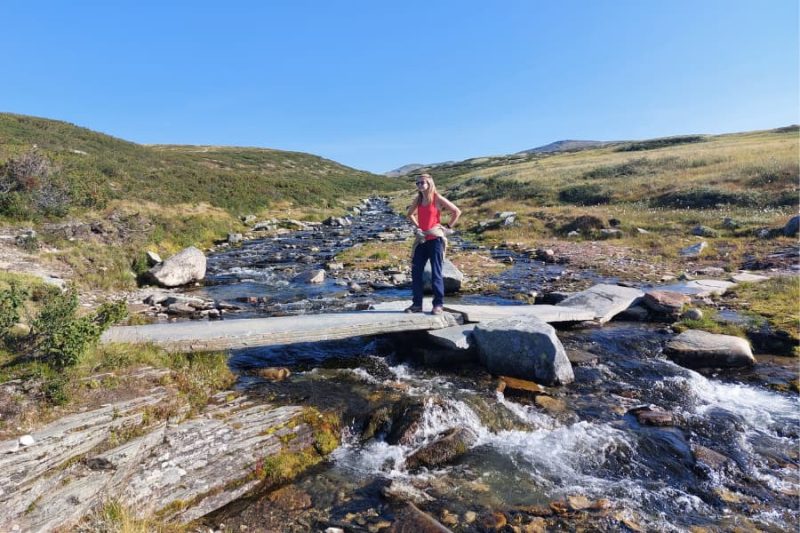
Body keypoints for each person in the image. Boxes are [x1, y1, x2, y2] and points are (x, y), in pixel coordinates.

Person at [405, 173, 461, 315]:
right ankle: (417, 304)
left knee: (436, 272)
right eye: (417, 183)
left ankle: (438, 305)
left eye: (422, 182)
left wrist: (447, 227)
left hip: (436, 239)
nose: (420, 185)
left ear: (429, 183)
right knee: (416, 272)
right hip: (422, 240)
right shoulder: (418, 199)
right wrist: (418, 227)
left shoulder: (437, 198)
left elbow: (456, 212)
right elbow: (410, 214)